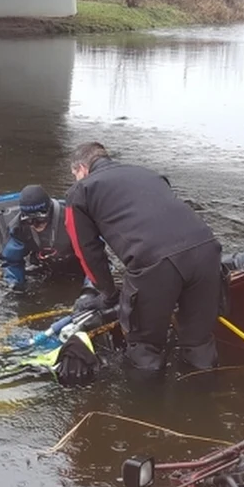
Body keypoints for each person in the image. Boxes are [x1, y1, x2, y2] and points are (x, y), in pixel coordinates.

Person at [64, 142, 224, 372]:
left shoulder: (81, 191)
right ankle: (206, 391)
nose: (76, 180)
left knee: (144, 349)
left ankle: (145, 394)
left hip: (155, 263)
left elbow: (86, 250)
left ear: (81, 168)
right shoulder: (147, 173)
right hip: (207, 251)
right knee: (199, 343)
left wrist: (108, 294)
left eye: (75, 175)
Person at [0, 184, 106, 294]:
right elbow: (11, 261)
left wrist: (90, 290)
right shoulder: (18, 228)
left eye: (40, 220)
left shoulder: (74, 217)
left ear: (49, 211)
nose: (35, 225)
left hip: (80, 264)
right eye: (29, 221)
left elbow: (95, 256)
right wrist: (15, 287)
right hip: (46, 266)